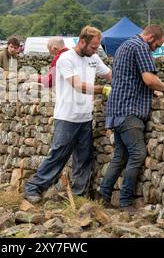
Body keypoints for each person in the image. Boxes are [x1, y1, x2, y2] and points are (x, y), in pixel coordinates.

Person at [24, 26, 112, 204]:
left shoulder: (93, 58)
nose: (96, 51)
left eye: (97, 47)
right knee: (58, 155)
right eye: (93, 47)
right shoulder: (65, 59)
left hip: (85, 116)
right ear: (82, 42)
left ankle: (79, 194)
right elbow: (78, 85)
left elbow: (110, 74)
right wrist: (102, 89)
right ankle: (33, 188)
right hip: (66, 116)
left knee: (84, 157)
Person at [99, 25, 164, 214]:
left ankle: (103, 196)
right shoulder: (141, 47)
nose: (155, 49)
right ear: (151, 37)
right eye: (157, 46)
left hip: (116, 108)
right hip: (130, 110)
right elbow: (149, 79)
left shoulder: (125, 45)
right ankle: (126, 201)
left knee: (120, 156)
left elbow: (129, 78)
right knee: (137, 154)